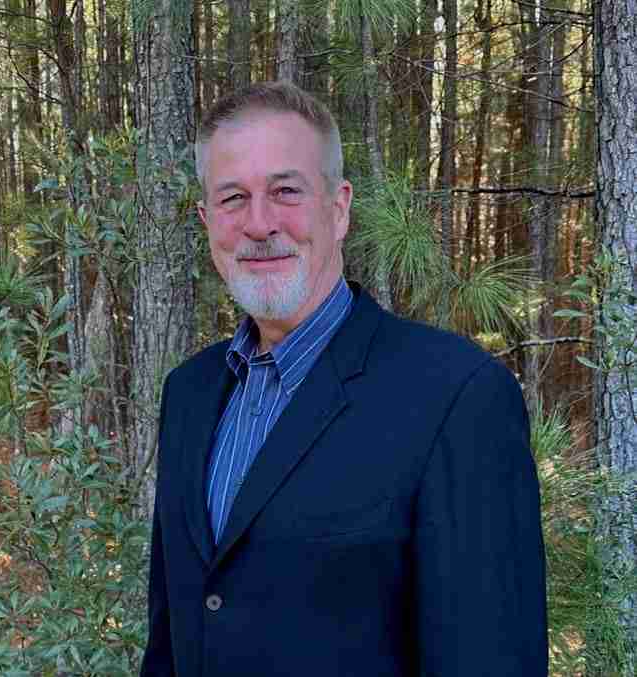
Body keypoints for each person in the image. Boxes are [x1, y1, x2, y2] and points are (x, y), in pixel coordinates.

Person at [140, 81, 548, 677]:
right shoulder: (189, 393)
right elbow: (173, 640)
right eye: (232, 198)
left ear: (339, 208)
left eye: (286, 191)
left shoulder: (456, 395)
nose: (259, 223)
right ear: (206, 220)